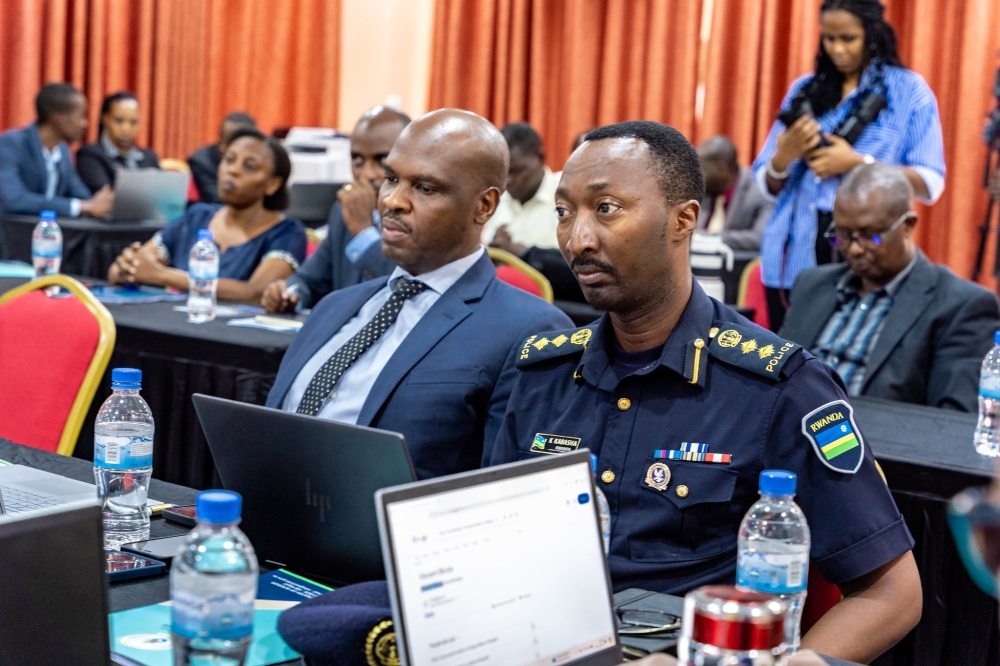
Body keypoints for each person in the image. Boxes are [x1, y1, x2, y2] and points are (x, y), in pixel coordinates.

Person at [490, 121, 921, 663]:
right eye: (563, 212)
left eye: (606, 209)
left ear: (683, 219)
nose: (577, 239)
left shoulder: (778, 388)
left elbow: (892, 593)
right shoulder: (541, 374)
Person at [265, 109, 572, 480]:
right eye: (391, 179)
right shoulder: (334, 307)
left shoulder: (532, 330)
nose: (393, 200)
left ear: (484, 206)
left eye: (426, 188)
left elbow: (510, 491)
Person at [752, 0, 946, 332]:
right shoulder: (804, 90)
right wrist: (782, 160)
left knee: (841, 363)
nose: (837, 49)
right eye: (829, 39)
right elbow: (764, 182)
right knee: (784, 364)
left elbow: (930, 182)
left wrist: (858, 164)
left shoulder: (909, 92)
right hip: (786, 256)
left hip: (858, 255)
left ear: (871, 35)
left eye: (848, 38)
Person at [780, 164, 999, 412]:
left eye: (870, 236)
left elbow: (950, 422)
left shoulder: (959, 306)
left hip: (876, 444)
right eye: (843, 236)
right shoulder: (811, 286)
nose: (853, 249)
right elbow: (774, 374)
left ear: (908, 225)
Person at [108, 127, 305, 304]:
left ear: (272, 184)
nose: (233, 170)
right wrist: (128, 267)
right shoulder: (197, 217)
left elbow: (255, 293)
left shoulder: (287, 232)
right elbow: (130, 267)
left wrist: (160, 276)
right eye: (229, 160)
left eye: (249, 166)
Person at [261, 107, 407, 313]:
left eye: (381, 161)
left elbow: (406, 289)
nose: (366, 174)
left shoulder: (417, 217)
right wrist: (290, 293)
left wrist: (363, 233)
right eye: (357, 160)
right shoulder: (343, 211)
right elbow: (310, 279)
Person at [0, 83, 114, 218]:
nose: (84, 124)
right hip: (12, 234)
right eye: (81, 116)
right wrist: (82, 206)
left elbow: (77, 190)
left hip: (52, 234)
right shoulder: (11, 143)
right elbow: (15, 200)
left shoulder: (62, 150)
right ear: (60, 120)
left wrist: (99, 201)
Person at [482, 122, 560, 255]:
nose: (508, 180)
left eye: (517, 171)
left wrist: (525, 254)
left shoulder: (566, 191)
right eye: (503, 172)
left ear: (540, 157)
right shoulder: (495, 198)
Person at [696, 135, 773, 251]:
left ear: (721, 170)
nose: (697, 176)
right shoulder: (703, 189)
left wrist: (708, 237)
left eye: (703, 170)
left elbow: (760, 237)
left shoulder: (758, 190)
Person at [76, 91, 159, 193]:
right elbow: (104, 195)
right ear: (104, 119)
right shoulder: (90, 155)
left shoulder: (149, 157)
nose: (126, 128)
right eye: (119, 121)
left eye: (133, 122)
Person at [187, 111, 256, 203]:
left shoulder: (260, 162)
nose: (222, 147)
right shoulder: (201, 162)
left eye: (231, 142)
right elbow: (217, 199)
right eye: (222, 138)